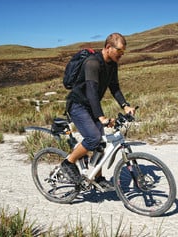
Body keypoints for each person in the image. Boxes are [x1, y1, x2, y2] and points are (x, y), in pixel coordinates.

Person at [61, 32, 136, 190]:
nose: (121, 55)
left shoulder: (112, 64)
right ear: (109, 47)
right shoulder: (93, 63)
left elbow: (114, 87)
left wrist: (125, 105)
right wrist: (101, 117)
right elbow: (91, 92)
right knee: (94, 138)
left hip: (90, 106)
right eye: (119, 51)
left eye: (124, 52)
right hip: (78, 105)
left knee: (101, 142)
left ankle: (98, 177)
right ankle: (68, 163)